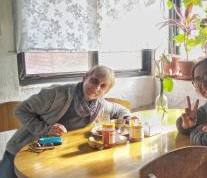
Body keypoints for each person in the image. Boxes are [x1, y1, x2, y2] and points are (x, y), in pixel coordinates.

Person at [0, 65, 132, 178]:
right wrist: (46, 129)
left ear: (106, 91)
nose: (96, 87)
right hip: (24, 150)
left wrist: (127, 117)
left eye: (102, 86)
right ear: (85, 77)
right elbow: (20, 110)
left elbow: (117, 108)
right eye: (94, 81)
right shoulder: (56, 94)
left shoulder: (99, 105)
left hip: (54, 157)